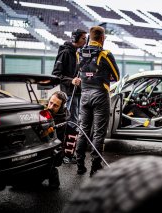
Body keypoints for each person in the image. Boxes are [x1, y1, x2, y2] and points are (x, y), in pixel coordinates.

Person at [76, 26, 120, 177]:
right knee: (98, 133)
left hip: (84, 94)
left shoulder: (79, 52)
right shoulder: (105, 54)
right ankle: (95, 167)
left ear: (90, 37)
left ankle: (80, 165)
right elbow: (116, 77)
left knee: (83, 131)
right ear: (102, 38)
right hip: (100, 95)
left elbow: (80, 72)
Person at [52, 28, 87, 164]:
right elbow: (56, 74)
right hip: (68, 94)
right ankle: (65, 154)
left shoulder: (79, 53)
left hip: (78, 93)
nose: (85, 40)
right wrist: (71, 80)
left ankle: (69, 153)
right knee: (70, 122)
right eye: (83, 38)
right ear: (76, 38)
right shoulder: (66, 53)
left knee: (75, 122)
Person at [43, 91, 69, 189]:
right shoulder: (45, 110)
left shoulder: (62, 120)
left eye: (55, 106)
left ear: (61, 108)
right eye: (50, 103)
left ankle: (53, 176)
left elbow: (52, 140)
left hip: (54, 151)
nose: (51, 107)